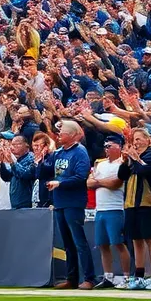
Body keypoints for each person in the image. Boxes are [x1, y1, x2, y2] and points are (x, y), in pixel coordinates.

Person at [42, 120, 94, 289]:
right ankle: (72, 278)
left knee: (79, 241)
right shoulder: (58, 153)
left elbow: (81, 176)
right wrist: (41, 160)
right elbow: (45, 171)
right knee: (67, 243)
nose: (59, 135)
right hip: (60, 202)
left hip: (73, 201)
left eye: (62, 132)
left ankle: (89, 278)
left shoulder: (80, 152)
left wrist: (60, 183)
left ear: (71, 135)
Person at [118, 128, 151, 289]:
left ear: (147, 140)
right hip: (130, 202)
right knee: (136, 239)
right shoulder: (132, 157)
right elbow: (122, 175)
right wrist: (125, 161)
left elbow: (143, 170)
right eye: (134, 140)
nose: (135, 143)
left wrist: (135, 158)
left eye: (138, 139)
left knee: (150, 238)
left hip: (146, 202)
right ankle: (139, 275)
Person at [89, 136, 130, 288]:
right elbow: (89, 183)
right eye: (105, 146)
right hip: (100, 209)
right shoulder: (100, 164)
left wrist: (98, 182)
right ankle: (108, 276)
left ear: (118, 147)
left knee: (118, 243)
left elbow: (115, 183)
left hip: (115, 208)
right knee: (102, 244)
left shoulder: (121, 164)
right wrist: (102, 182)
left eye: (109, 146)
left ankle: (126, 277)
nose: (106, 149)